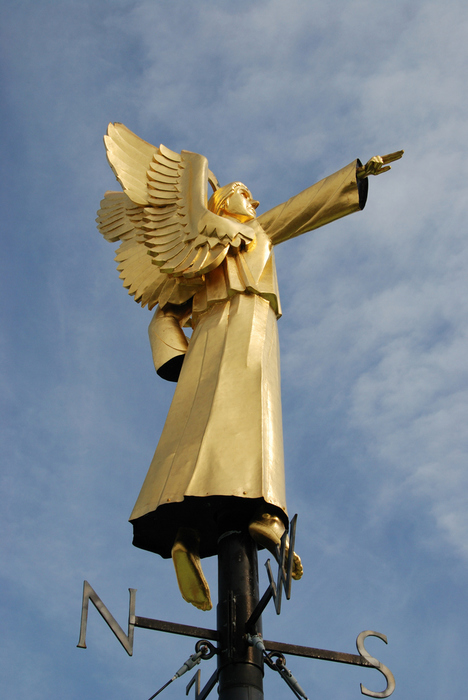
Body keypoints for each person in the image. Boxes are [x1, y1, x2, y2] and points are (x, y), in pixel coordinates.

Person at [125, 151, 403, 610]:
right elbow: (300, 211)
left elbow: (164, 314)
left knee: (198, 430)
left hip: (215, 339)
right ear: (220, 204)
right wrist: (176, 355)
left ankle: (187, 535)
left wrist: (354, 176)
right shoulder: (237, 237)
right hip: (243, 329)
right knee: (255, 417)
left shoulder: (221, 246)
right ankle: (266, 515)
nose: (252, 200)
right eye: (242, 193)